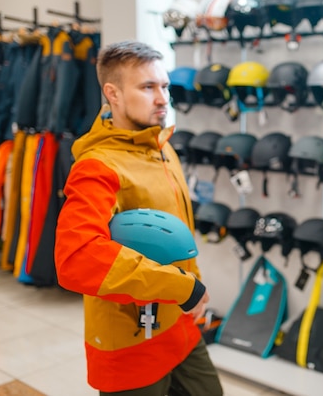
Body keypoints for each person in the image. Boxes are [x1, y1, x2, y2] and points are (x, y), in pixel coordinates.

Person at [54, 40, 223, 396]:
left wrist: (192, 290)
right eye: (148, 87)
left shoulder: (162, 147)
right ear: (112, 93)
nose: (162, 98)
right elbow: (76, 257)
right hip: (129, 340)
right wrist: (182, 287)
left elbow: (176, 237)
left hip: (180, 325)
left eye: (164, 86)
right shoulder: (97, 166)